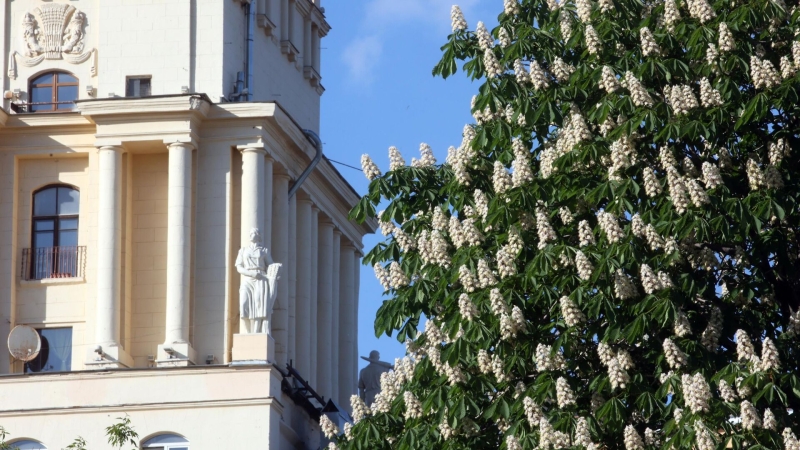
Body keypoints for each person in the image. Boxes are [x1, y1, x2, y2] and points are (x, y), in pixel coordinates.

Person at [235, 228, 281, 334]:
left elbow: (271, 265)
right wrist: (252, 273)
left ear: (259, 236)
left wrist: (276, 268)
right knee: (243, 303)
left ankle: (255, 332)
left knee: (258, 305)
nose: (253, 234)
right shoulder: (243, 251)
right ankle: (246, 331)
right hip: (248, 278)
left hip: (261, 279)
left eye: (256, 233)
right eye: (251, 233)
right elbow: (239, 267)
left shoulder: (264, 251)